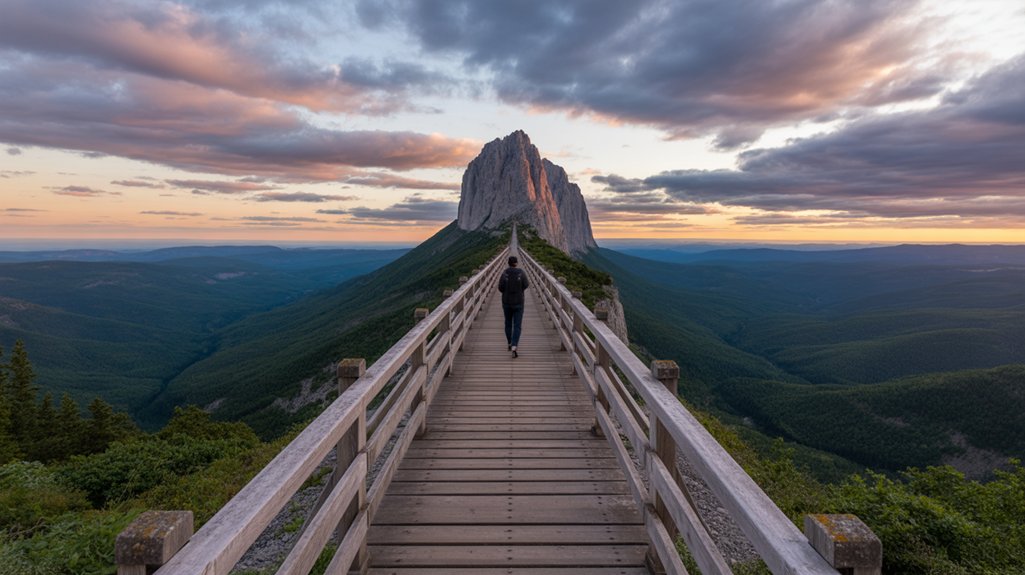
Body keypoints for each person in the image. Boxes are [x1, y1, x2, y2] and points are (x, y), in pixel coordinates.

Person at [498, 255, 529, 358]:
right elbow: (526, 285)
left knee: (508, 323)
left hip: (506, 302)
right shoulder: (521, 273)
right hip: (518, 302)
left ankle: (509, 342)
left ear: (508, 263)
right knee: (517, 325)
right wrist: (519, 290)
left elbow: (500, 288)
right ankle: (514, 346)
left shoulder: (504, 273)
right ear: (516, 263)